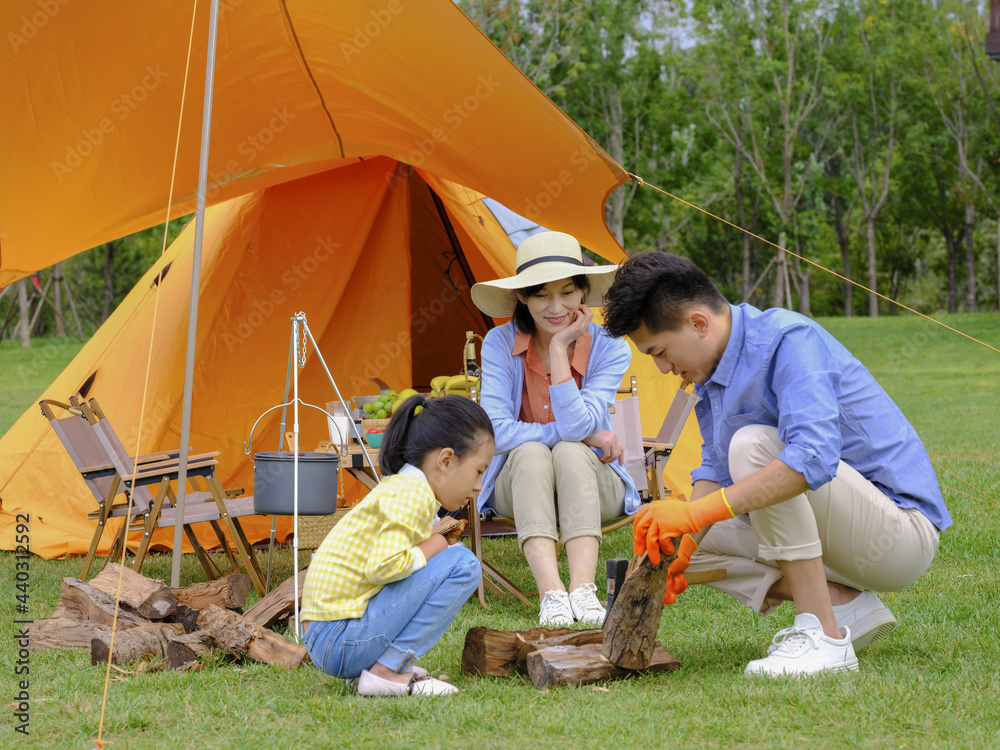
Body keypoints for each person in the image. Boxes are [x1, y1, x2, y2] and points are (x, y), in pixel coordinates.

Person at [601, 251, 950, 677]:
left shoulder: (788, 338)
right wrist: (685, 547)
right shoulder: (709, 374)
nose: (662, 367)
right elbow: (714, 469)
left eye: (660, 351)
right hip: (841, 534)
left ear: (698, 323)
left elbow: (812, 458)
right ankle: (846, 606)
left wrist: (694, 512)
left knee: (753, 447)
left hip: (898, 537)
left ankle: (824, 636)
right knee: (683, 540)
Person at [470, 231, 640, 627]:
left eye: (567, 292)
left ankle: (582, 590)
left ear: (584, 293)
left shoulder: (612, 346)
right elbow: (495, 431)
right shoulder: (499, 342)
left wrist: (561, 349)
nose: (556, 306)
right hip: (522, 486)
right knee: (532, 452)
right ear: (523, 299)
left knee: (569, 451)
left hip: (598, 486)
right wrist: (582, 434)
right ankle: (552, 595)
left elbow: (578, 425)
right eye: (542, 295)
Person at [300, 395, 493, 696]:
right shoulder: (412, 495)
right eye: (479, 471)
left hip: (331, 638)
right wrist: (436, 544)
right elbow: (383, 567)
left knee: (455, 559)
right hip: (337, 640)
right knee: (463, 564)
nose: (479, 484)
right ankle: (388, 671)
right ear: (445, 460)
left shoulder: (406, 487)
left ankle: (382, 666)